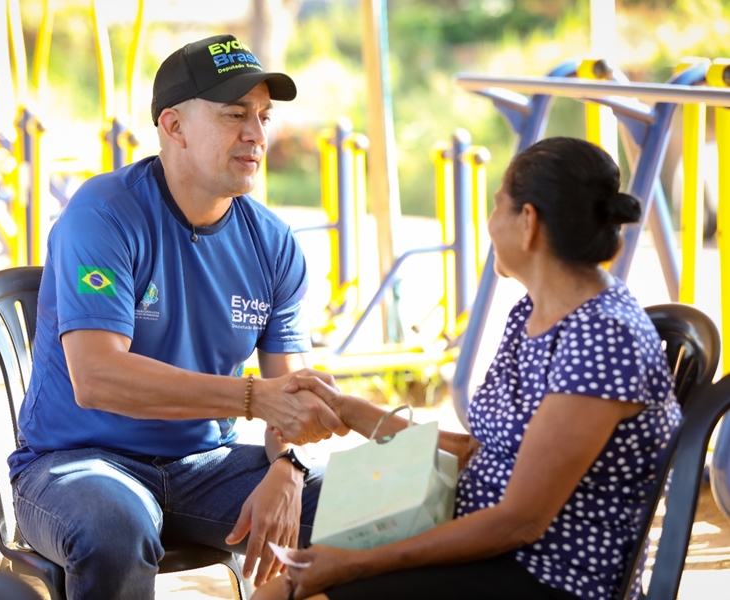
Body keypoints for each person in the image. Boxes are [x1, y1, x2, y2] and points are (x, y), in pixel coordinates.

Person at [254, 136, 680, 600]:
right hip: (489, 547)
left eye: (498, 206)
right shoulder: (533, 313)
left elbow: (521, 521)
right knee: (283, 590)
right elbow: (478, 449)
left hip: (546, 575)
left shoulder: (602, 338)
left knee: (293, 593)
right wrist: (347, 409)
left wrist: (351, 565)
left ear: (528, 223)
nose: (491, 222)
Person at [6, 33, 349, 600]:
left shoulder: (273, 243)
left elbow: (294, 396)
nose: (256, 134)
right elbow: (97, 378)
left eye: (263, 116)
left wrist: (287, 468)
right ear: (173, 126)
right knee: (115, 528)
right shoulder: (104, 214)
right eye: (235, 114)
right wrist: (251, 398)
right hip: (77, 463)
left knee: (369, 509)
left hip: (205, 466)